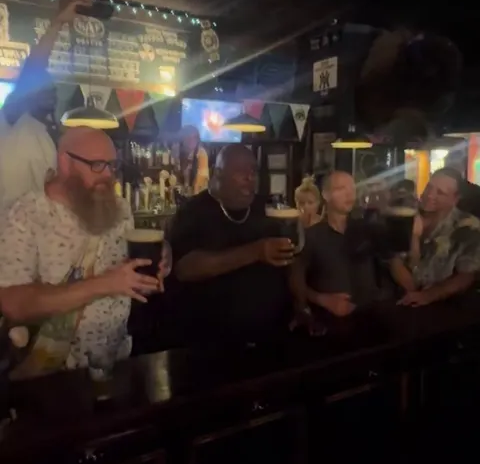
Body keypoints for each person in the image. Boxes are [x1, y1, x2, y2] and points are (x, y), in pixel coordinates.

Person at [0, 127, 165, 377]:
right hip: (52, 375)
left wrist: (154, 267)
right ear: (65, 162)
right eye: (98, 165)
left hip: (117, 360)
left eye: (112, 165)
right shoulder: (26, 215)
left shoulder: (119, 208)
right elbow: (13, 303)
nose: (108, 175)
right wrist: (103, 284)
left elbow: (127, 273)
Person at [168, 144, 304, 342]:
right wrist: (256, 251)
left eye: (253, 171)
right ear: (218, 173)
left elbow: (292, 259)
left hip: (272, 335)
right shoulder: (192, 212)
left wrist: (301, 304)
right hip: (211, 340)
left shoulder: (266, 208)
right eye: (241, 171)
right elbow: (185, 268)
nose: (250, 177)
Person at [0, 0, 91, 210]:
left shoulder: (50, 136)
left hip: (42, 224)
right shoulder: (13, 120)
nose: (51, 95)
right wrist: (58, 23)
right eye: (43, 89)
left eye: (52, 91)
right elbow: (35, 66)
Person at [294, 171, 387, 319]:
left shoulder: (367, 230)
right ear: (326, 194)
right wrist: (322, 299)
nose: (349, 194)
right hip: (329, 321)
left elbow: (392, 263)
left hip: (372, 318)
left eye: (352, 188)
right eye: (341, 188)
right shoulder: (311, 236)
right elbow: (294, 280)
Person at [390, 167, 480, 307]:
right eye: (429, 187)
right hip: (403, 303)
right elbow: (397, 265)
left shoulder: (468, 226)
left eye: (440, 193)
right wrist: (414, 238)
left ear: (455, 199)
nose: (430, 195)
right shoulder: (406, 215)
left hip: (448, 307)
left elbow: (467, 276)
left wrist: (430, 295)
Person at [174, 125, 210, 195]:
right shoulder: (177, 152)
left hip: (199, 193)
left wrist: (194, 198)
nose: (191, 140)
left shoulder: (201, 153)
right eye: (188, 137)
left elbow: (200, 179)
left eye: (194, 138)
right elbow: (176, 176)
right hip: (184, 192)